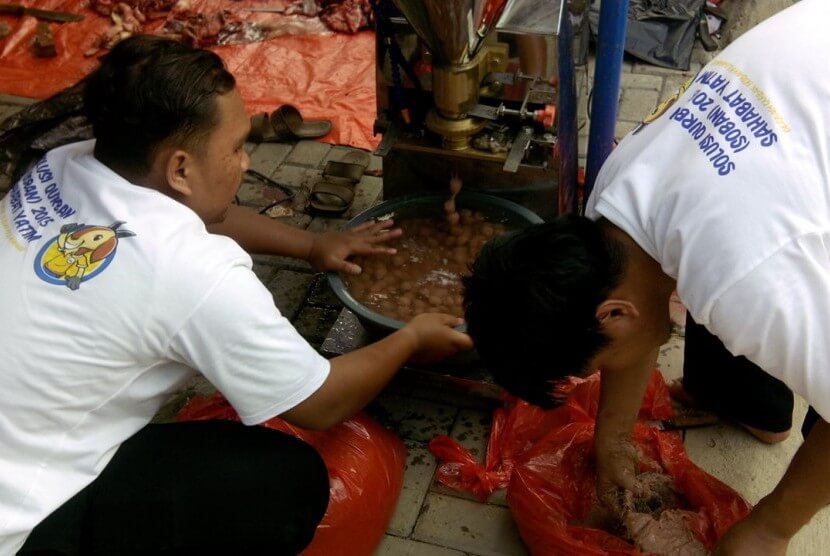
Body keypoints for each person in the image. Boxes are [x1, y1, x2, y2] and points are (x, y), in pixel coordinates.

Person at [0, 35, 473, 555]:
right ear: (179, 168)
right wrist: (409, 338)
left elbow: (196, 219)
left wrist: (313, 244)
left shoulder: (65, 164)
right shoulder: (195, 274)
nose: (246, 163)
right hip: (18, 521)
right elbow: (318, 404)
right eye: (235, 148)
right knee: (283, 482)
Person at [463, 0, 830, 553]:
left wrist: (770, 527)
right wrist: (611, 439)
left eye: (599, 359)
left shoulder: (749, 281)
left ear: (612, 314)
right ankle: (754, 407)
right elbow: (632, 328)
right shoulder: (615, 197)